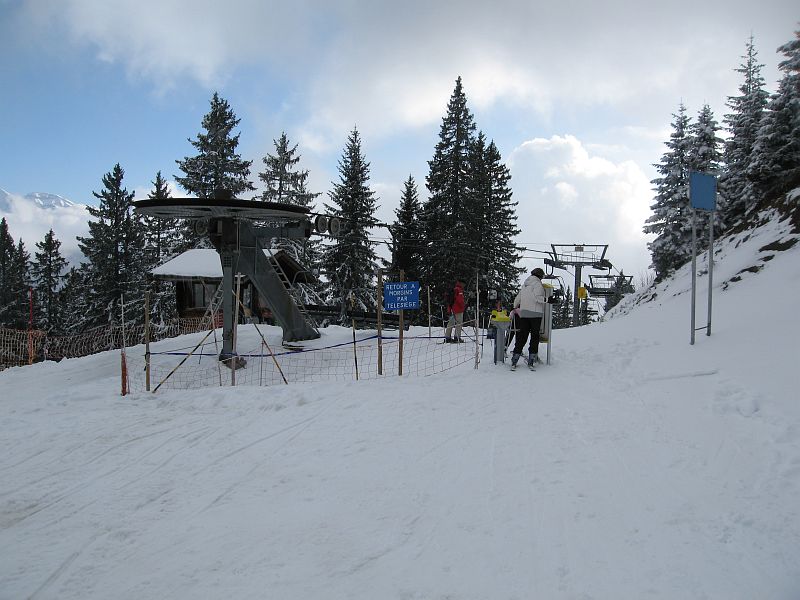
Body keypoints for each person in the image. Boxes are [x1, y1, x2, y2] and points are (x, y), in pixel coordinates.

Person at [511, 268, 550, 368]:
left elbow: (518, 298)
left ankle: (515, 357)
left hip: (524, 313)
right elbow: (537, 297)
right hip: (536, 313)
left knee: (522, 336)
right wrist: (548, 299)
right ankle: (531, 358)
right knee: (534, 336)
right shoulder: (537, 284)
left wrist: (515, 306)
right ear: (540, 276)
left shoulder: (525, 284)